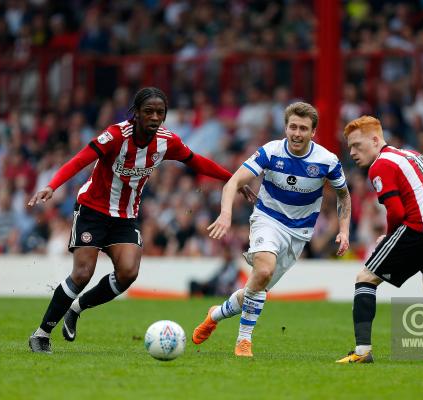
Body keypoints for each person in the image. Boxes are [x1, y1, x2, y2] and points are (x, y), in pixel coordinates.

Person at [27, 87, 255, 354]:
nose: (155, 117)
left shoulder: (166, 141)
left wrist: (233, 179)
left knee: (128, 273)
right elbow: (80, 160)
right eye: (149, 112)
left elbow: (197, 162)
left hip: (125, 216)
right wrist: (52, 185)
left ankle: (77, 308)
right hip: (92, 210)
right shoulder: (115, 135)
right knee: (82, 273)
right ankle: (41, 334)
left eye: (160, 112)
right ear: (136, 114)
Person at [191, 102, 351, 357]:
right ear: (285, 128)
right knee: (263, 270)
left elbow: (344, 195)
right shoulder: (271, 152)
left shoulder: (327, 160)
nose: (297, 133)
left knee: (256, 288)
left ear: (313, 132)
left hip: (299, 233)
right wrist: (226, 214)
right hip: (268, 219)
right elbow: (234, 181)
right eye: (293, 127)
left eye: (303, 128)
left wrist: (344, 230)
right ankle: (244, 340)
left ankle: (215, 315)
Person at [336, 115, 423, 364]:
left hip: (418, 229)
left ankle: (361, 353)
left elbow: (397, 212)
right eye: (349, 146)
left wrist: (390, 237)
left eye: (357, 145)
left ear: (374, 140)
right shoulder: (417, 157)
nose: (352, 152)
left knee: (365, 278)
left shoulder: (380, 165)